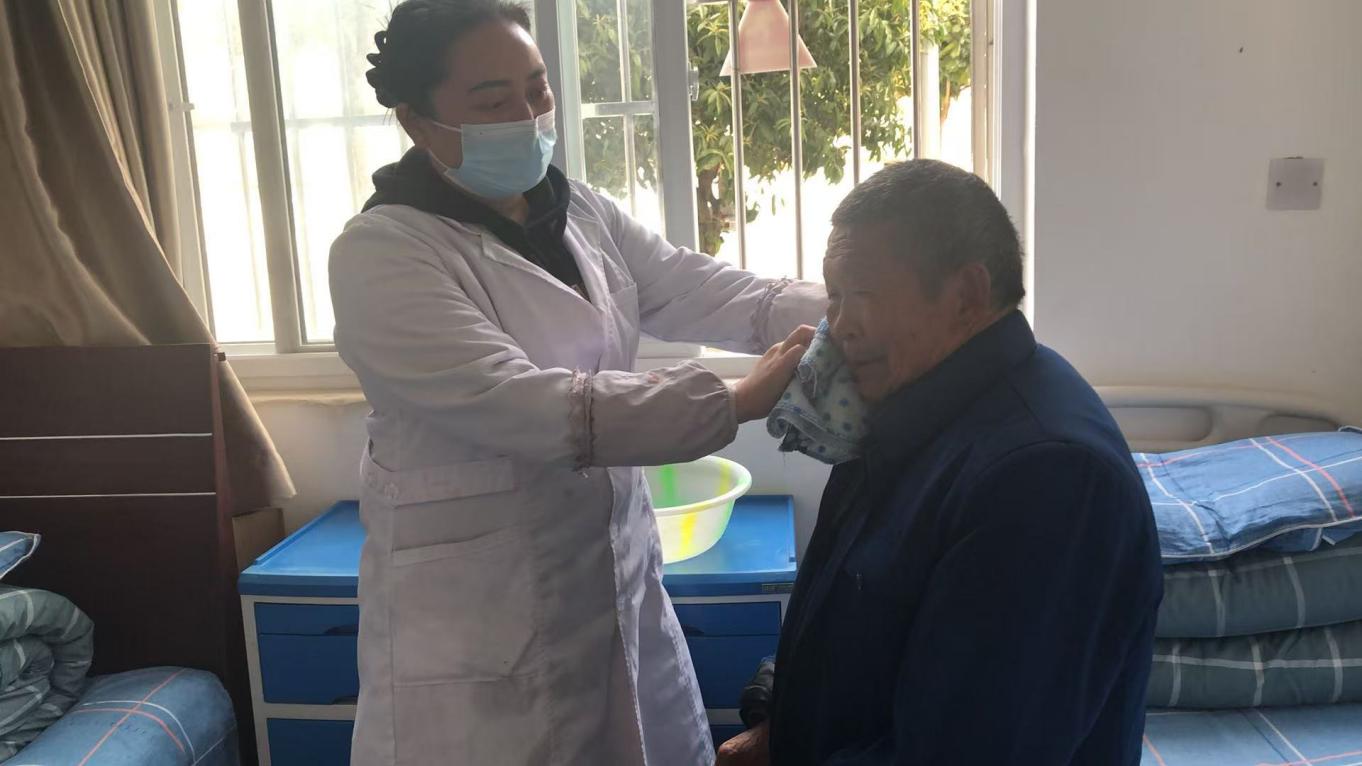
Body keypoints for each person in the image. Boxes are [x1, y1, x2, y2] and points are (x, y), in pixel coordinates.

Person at [328, 1, 826, 763]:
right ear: (417, 123)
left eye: (537, 89)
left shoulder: (581, 211)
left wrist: (855, 306)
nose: (527, 117)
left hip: (611, 583)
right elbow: (524, 404)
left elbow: (708, 290)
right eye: (493, 101)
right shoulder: (382, 253)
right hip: (477, 629)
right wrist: (729, 401)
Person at [719, 160, 1163, 766]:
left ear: (967, 297)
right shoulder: (907, 412)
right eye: (834, 295)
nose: (839, 327)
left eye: (863, 294)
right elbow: (855, 620)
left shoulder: (1047, 479)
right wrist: (776, 728)